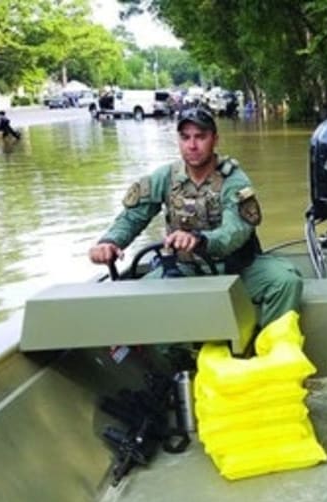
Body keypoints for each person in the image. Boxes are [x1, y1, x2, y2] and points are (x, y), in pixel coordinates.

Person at [88, 106, 303, 332]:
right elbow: (133, 216)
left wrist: (199, 239)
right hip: (184, 269)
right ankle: (171, 361)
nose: (192, 145)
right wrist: (110, 242)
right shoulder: (165, 177)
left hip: (237, 267)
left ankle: (271, 353)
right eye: (185, 137)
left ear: (215, 139)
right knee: (139, 301)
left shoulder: (234, 180)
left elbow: (235, 231)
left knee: (285, 282)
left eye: (200, 137)